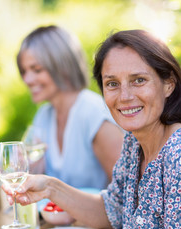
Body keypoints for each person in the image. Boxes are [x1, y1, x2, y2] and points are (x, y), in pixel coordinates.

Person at [4, 30, 181, 229]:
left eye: (139, 80)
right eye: (112, 84)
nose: (125, 96)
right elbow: (115, 211)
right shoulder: (135, 142)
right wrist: (50, 188)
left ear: (168, 84)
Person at [16, 25, 124, 189]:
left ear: (62, 66)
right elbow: (34, 177)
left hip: (95, 215)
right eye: (24, 71)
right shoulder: (44, 115)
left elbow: (125, 190)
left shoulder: (94, 114)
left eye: (37, 70)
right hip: (52, 214)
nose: (27, 79)